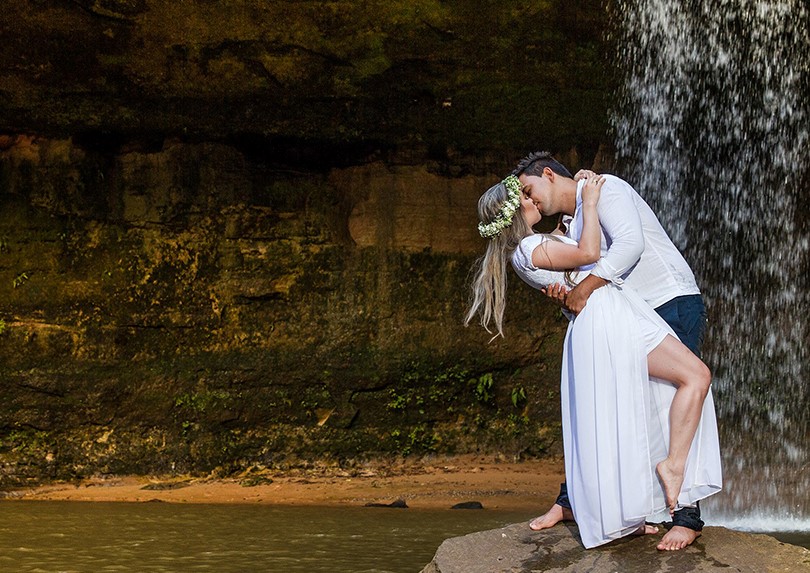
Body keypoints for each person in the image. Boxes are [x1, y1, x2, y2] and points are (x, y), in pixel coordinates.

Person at [465, 169, 722, 549]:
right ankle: (660, 508)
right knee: (654, 398)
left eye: (530, 190)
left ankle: (661, 513)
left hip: (662, 302)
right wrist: (585, 205)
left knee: (636, 406)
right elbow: (590, 256)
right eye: (524, 198)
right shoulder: (542, 239)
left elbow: (620, 249)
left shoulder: (593, 200)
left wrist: (572, 285)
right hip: (618, 318)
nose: (531, 200)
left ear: (549, 174)